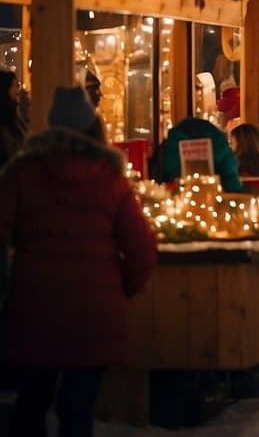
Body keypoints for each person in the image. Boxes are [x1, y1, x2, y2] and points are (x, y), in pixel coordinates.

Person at [1, 86, 157, 437]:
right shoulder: (111, 180)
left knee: (30, 407)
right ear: (91, 128)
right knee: (77, 411)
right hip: (93, 316)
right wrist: (122, 291)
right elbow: (141, 249)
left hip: (34, 310)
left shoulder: (21, 173)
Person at [155, 116, 243, 192]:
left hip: (176, 202)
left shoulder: (169, 148)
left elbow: (161, 178)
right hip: (214, 202)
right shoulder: (220, 146)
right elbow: (231, 183)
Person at [0, 70, 27, 167]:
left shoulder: (15, 116)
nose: (18, 90)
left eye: (18, 85)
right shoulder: (4, 122)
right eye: (13, 85)